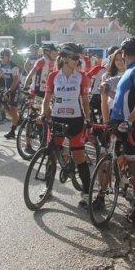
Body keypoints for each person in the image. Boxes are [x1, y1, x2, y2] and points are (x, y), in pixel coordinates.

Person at [39, 42, 92, 207]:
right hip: (57, 118)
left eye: (78, 58)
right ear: (64, 59)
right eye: (74, 58)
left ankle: (87, 192)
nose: (77, 60)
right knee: (51, 154)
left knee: (79, 157)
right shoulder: (53, 76)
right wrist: (43, 113)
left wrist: (88, 118)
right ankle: (47, 188)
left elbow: (85, 100)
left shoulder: (81, 76)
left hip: (76, 119)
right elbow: (46, 99)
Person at [107, 38, 135, 222]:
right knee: (111, 157)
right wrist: (108, 93)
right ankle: (116, 187)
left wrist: (129, 120)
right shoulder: (129, 71)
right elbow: (122, 97)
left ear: (123, 53)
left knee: (134, 164)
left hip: (130, 124)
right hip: (117, 121)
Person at [0, 48, 21, 139]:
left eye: (3, 57)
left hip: (14, 89)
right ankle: (17, 118)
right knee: (6, 107)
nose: (1, 58)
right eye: (1, 56)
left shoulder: (13, 66)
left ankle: (12, 131)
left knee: (13, 108)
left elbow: (16, 80)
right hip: (7, 88)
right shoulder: (1, 65)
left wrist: (10, 91)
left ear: (8, 57)